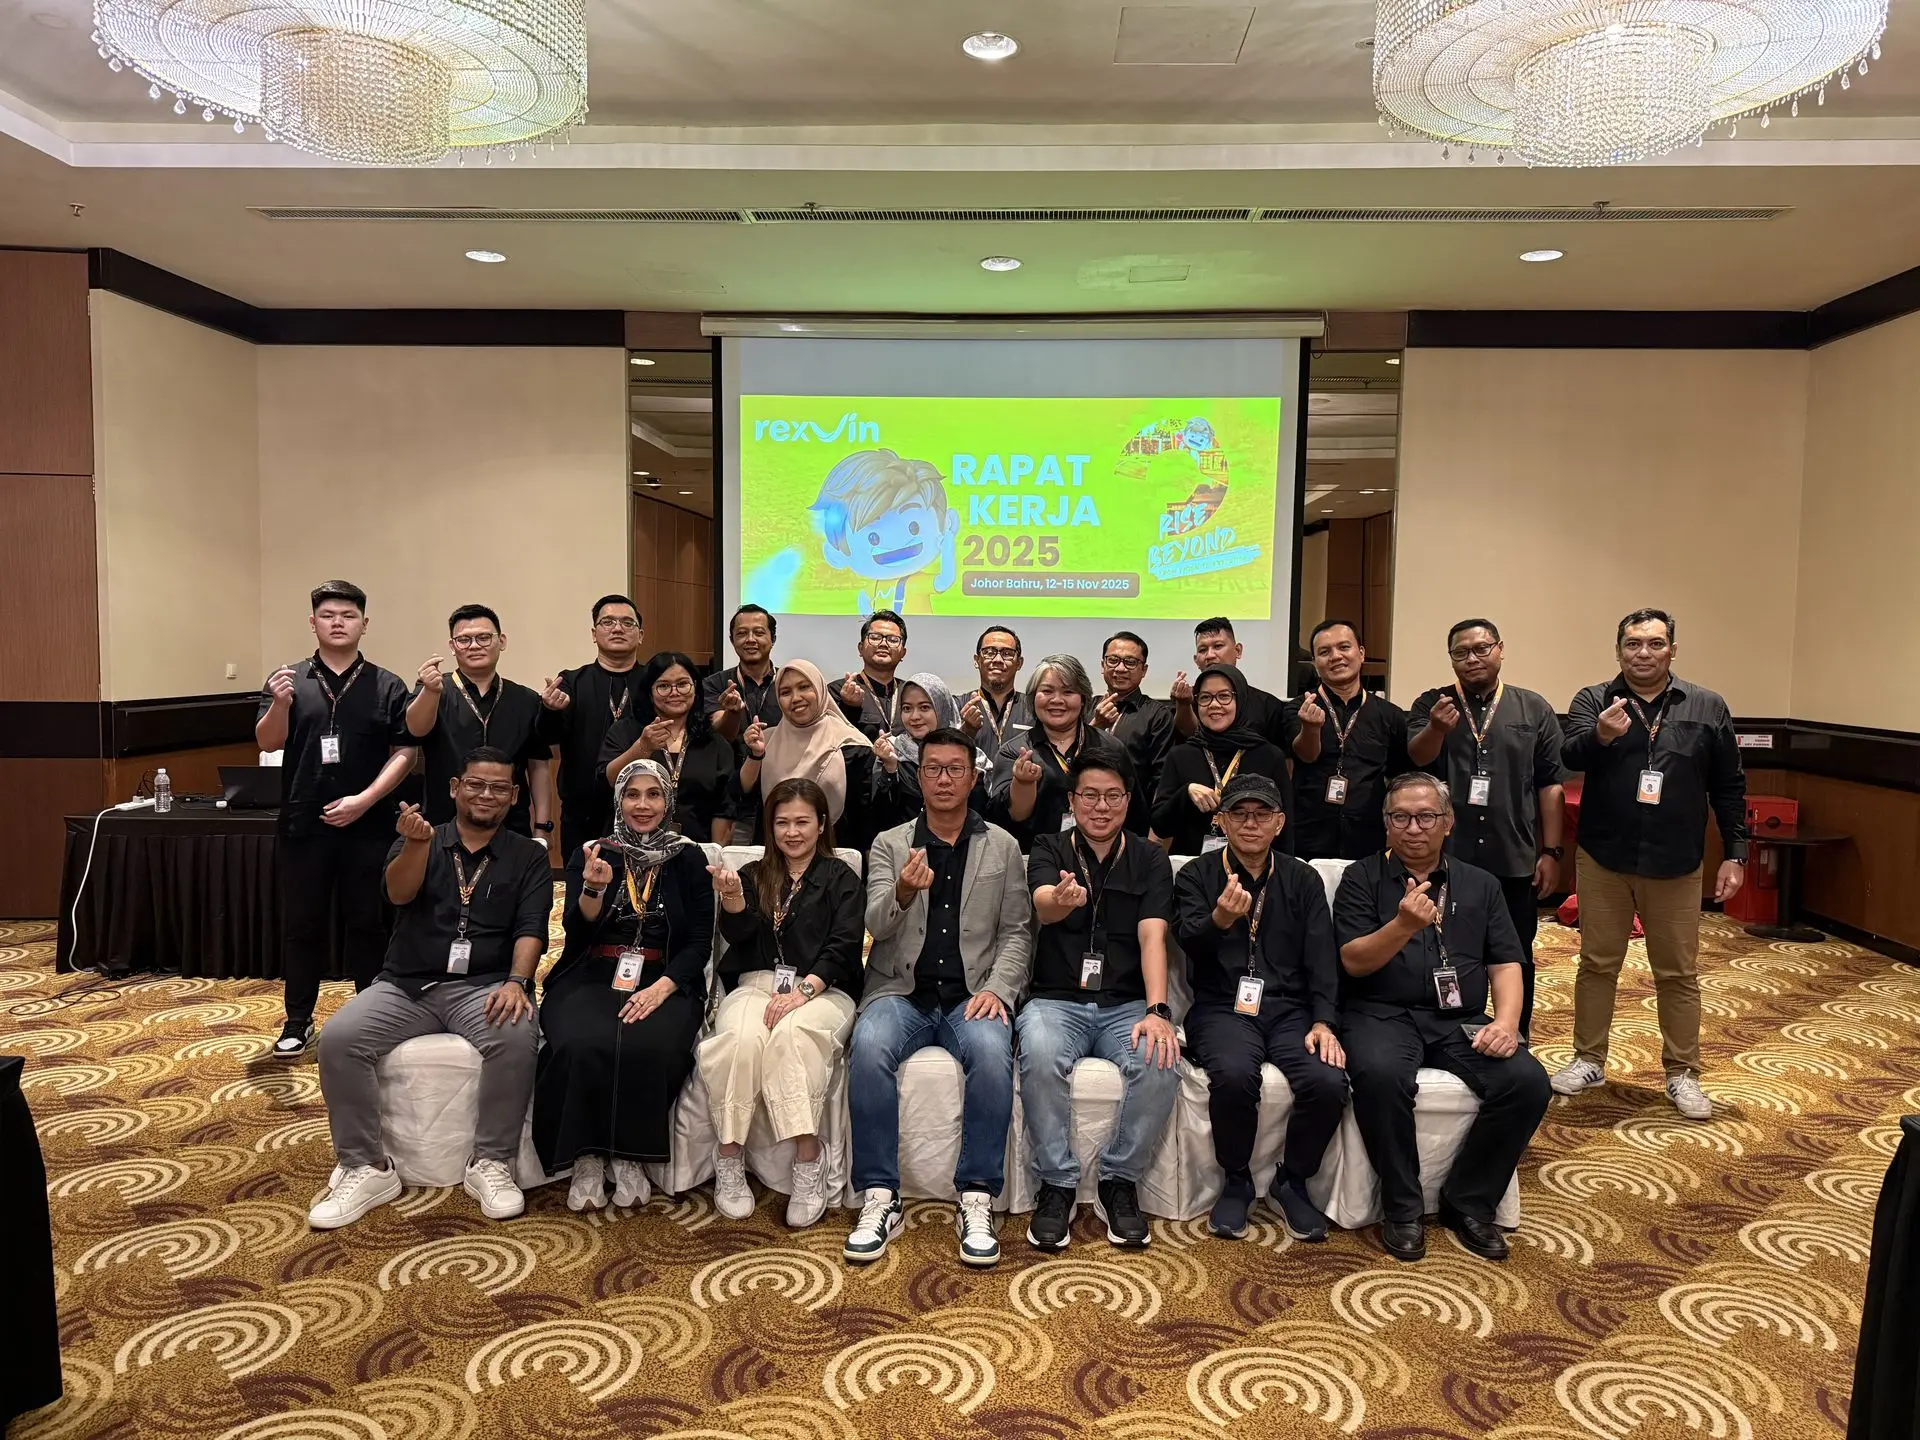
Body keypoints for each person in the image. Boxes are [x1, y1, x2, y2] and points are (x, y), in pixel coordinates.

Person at [307, 747, 549, 1229]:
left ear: (514, 796)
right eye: (475, 784)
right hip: (406, 984)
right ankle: (366, 1167)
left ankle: (491, 1161)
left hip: (483, 986)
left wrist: (518, 982)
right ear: (455, 788)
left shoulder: (527, 855)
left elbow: (531, 929)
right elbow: (399, 894)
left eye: (499, 788)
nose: (486, 795)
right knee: (339, 1039)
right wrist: (416, 846)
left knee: (516, 1036)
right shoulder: (420, 837)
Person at [1333, 773, 1551, 1263]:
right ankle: (1402, 1208)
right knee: (1380, 1076)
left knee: (1527, 1082)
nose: (1414, 828)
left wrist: (1507, 1023)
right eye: (1401, 817)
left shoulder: (1481, 884)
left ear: (1448, 822)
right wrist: (1402, 925)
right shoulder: (1361, 879)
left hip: (1459, 1017)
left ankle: (1469, 1201)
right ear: (1386, 824)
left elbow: (1506, 962)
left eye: (1426, 817)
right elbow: (1353, 961)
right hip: (1380, 1012)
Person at [844, 728, 1033, 1269]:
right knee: (869, 1045)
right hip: (900, 990)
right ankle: (880, 1193)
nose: (944, 779)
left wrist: (998, 989)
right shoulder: (890, 843)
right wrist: (903, 891)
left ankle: (976, 1194)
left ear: (973, 778)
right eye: (933, 769)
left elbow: (1017, 932)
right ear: (919, 776)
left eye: (955, 769)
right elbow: (875, 924)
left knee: (993, 1053)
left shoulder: (1002, 846)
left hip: (972, 994)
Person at [1551, 609, 1748, 1121]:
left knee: (1677, 972)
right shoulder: (1594, 700)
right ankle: (1588, 1059)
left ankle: (1683, 1072)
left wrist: (1736, 852)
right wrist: (1600, 736)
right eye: (1633, 644)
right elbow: (1569, 756)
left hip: (1676, 860)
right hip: (1605, 857)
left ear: (1672, 651)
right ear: (1618, 650)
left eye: (1655, 644)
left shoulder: (1707, 705)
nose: (1643, 653)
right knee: (1597, 964)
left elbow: (1729, 785)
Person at [533, 759, 714, 1211]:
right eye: (632, 794)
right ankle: (588, 1156)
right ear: (619, 801)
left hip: (663, 976)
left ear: (668, 801)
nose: (642, 805)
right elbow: (576, 931)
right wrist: (593, 890)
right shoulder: (595, 852)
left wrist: (664, 987)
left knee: (649, 1045)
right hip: (593, 969)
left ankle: (629, 1156)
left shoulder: (688, 857)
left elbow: (698, 941)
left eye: (653, 794)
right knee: (578, 1042)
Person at [1019, 750, 1180, 1251]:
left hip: (1125, 1004)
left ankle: (1119, 1181)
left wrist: (1157, 1011)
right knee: (1040, 1054)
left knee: (1161, 1060)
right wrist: (1058, 900)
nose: (1101, 806)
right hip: (1055, 1000)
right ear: (1072, 800)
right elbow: (1043, 906)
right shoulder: (1049, 846)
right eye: (1090, 795)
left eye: (1113, 796)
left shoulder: (1150, 858)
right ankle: (1057, 1185)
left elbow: (1153, 936)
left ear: (1128, 801)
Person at [1174, 775, 1347, 1241]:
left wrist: (1324, 1021)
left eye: (1262, 814)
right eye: (1239, 814)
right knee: (1233, 1074)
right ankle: (1237, 1179)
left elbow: (1322, 958)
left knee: (1328, 1080)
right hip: (1221, 1006)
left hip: (1291, 1008)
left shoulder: (1302, 878)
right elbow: (1188, 944)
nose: (1250, 824)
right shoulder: (1196, 874)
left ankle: (1293, 1181)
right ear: (1222, 821)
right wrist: (1219, 919)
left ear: (1279, 823)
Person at [256, 580, 417, 1057]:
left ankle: (372, 1017)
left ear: (365, 624)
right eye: (328, 615)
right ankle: (297, 1021)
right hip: (303, 824)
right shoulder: (287, 679)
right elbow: (267, 741)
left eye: (348, 615)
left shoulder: (387, 684)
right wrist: (280, 703)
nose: (338, 623)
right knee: (302, 925)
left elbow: (405, 752)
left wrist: (365, 800)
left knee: (368, 924)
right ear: (313, 623)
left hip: (369, 824)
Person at [701, 778, 863, 1227]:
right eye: (782, 823)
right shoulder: (754, 874)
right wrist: (733, 899)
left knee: (793, 1036)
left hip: (823, 989)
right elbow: (739, 937)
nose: (792, 832)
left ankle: (809, 1160)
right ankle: (728, 1156)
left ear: (821, 824)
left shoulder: (841, 878)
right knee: (739, 1038)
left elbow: (844, 946)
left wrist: (802, 993)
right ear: (770, 827)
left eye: (802, 822)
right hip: (757, 984)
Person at [1407, 619, 1566, 1038]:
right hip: (1448, 857)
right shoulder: (1432, 703)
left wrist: (1551, 852)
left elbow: (1550, 784)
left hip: (1512, 854)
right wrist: (1436, 728)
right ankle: (1449, 1032)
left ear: (1500, 649)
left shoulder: (1533, 708)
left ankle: (1516, 1032)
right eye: (1461, 652)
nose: (1472, 659)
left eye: (1481, 648)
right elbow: (1417, 759)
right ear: (1451, 659)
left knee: (1516, 951)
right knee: (1444, 947)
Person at [405, 603, 554, 843]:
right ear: (452, 646)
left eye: (484, 638)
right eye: (464, 640)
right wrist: (430, 692)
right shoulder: (435, 688)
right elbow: (416, 730)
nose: (474, 646)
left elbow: (538, 766)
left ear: (501, 641)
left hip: (511, 825)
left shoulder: (526, 698)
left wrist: (542, 827)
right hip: (445, 822)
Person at [1286, 619, 1409, 861]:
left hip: (1369, 839)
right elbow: (1305, 755)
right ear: (1315, 662)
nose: (1335, 656)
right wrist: (1310, 728)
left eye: (1344, 647)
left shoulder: (1390, 715)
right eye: (1324, 652)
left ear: (1361, 653)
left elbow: (1398, 775)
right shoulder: (1297, 708)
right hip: (1308, 838)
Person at [537, 595, 645, 867]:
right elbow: (548, 738)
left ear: (641, 635)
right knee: (582, 884)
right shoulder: (572, 681)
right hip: (582, 813)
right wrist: (549, 710)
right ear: (594, 634)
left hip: (644, 809)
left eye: (627, 623)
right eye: (607, 622)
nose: (617, 628)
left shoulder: (653, 682)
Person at [1152, 664, 1292, 857]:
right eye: (1205, 697)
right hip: (1192, 867)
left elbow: (1284, 829)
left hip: (1253, 866)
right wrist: (1185, 794)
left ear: (1241, 700)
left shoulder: (1269, 756)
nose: (1214, 704)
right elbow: (1160, 826)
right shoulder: (1181, 755)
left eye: (1224, 696)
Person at [741, 659, 880, 853]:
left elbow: (865, 816)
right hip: (774, 854)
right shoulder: (766, 741)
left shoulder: (851, 744)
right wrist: (755, 755)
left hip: (834, 854)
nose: (796, 698)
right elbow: (744, 794)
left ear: (820, 689)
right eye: (785, 692)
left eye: (804, 687)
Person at [601, 651, 738, 844]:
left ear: (695, 688)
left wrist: (714, 854)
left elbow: (724, 808)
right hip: (632, 848)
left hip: (695, 849)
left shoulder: (713, 741)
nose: (675, 693)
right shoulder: (627, 731)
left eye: (682, 684)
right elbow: (608, 780)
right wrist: (642, 747)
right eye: (663, 686)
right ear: (650, 692)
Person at [990, 654, 1127, 847]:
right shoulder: (1014, 752)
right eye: (1047, 691)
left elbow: (1132, 812)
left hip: (1101, 855)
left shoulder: (1110, 747)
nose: (1057, 700)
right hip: (1035, 856)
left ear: (1083, 698)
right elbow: (1009, 819)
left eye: (1068, 692)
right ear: (1033, 697)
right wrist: (1022, 783)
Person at [870, 670, 988, 830]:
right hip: (908, 842)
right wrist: (890, 770)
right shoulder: (893, 750)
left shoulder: (968, 756)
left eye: (924, 707)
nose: (914, 716)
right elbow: (880, 817)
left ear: (942, 708)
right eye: (907, 708)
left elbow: (981, 813)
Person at [1090, 631, 1176, 836]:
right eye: (1113, 660)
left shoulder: (1157, 715)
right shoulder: (1086, 707)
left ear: (1143, 670)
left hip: (1133, 825)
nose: (1120, 668)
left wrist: (1155, 831)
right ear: (1102, 665)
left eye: (1130, 662)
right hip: (1084, 816)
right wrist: (1096, 726)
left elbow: (1161, 778)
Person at [1175, 618, 1287, 742]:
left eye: (1218, 646)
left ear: (1237, 650)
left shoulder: (1268, 706)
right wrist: (1183, 705)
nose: (1210, 655)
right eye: (1203, 650)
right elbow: (1191, 736)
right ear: (1196, 660)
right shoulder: (1188, 700)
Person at [958, 627, 1032, 785]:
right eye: (989, 652)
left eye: (1007, 653)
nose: (998, 659)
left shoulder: (1034, 708)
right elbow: (944, 754)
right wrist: (966, 732)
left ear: (1019, 663)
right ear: (977, 660)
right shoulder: (958, 705)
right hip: (971, 796)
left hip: (1020, 794)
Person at [704, 604, 783, 742]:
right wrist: (732, 713)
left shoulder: (788, 681)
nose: (750, 639)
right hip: (733, 757)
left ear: (773, 639)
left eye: (759, 633)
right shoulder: (714, 684)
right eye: (742, 633)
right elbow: (720, 734)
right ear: (732, 640)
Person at [831, 610, 910, 739]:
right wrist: (847, 706)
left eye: (893, 640)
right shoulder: (837, 691)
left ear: (903, 653)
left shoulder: (911, 693)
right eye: (875, 638)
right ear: (860, 648)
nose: (883, 644)